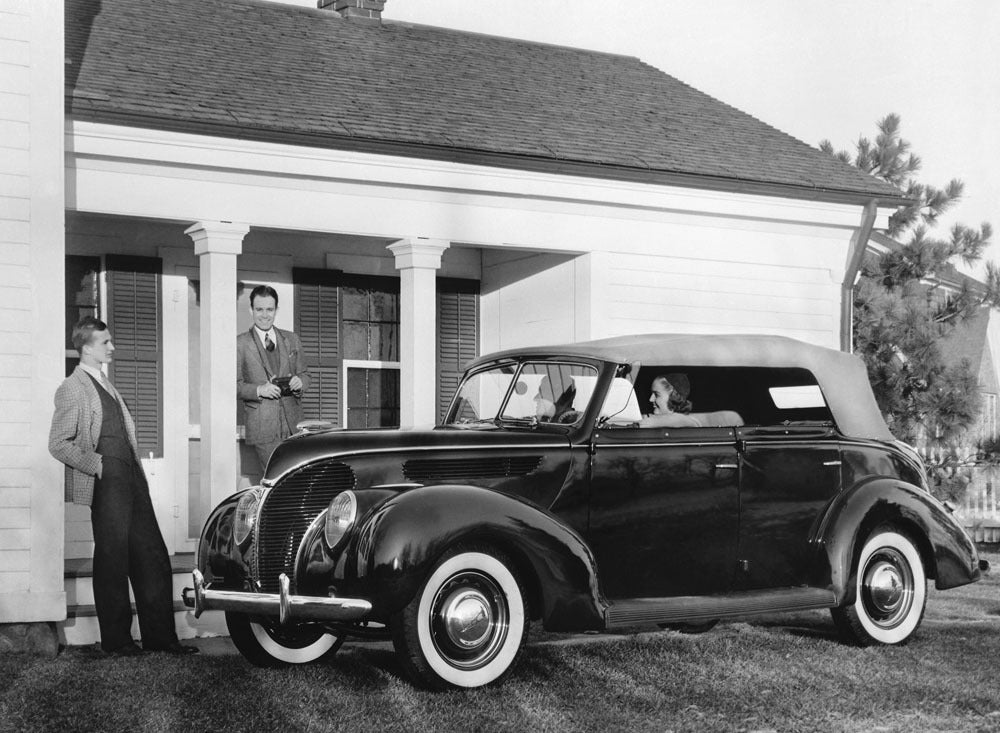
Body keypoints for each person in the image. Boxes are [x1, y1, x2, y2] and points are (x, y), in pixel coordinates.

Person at [48, 317, 196, 656]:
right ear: (86, 348)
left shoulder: (106, 383)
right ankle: (117, 642)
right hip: (107, 480)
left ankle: (161, 639)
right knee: (112, 559)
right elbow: (58, 443)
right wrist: (97, 465)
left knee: (152, 554)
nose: (112, 347)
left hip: (131, 478)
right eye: (105, 343)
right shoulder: (72, 387)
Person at [237, 284, 312, 471]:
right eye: (259, 309)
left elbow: (306, 374)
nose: (264, 315)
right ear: (251, 310)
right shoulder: (240, 343)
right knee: (276, 476)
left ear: (276, 310)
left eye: (269, 309)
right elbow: (233, 385)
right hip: (263, 426)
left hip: (294, 425)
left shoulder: (292, 339)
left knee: (296, 477)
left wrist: (300, 382)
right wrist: (259, 390)